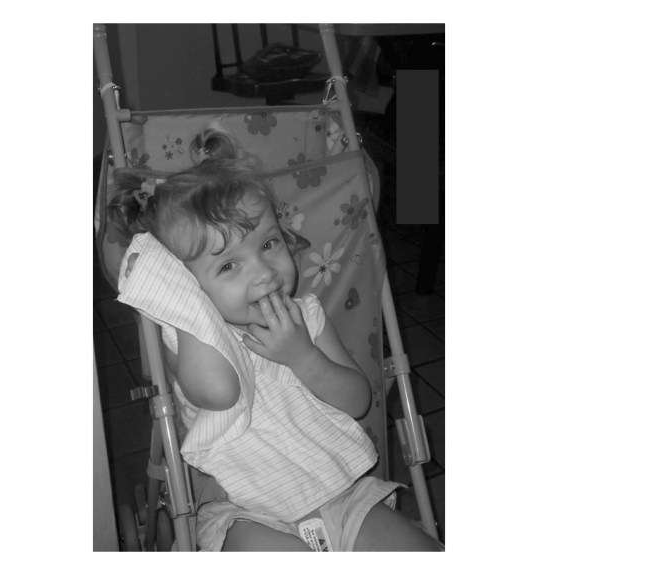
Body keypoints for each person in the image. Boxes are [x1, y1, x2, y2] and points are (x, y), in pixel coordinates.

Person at [110, 130, 442, 552]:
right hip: (245, 514)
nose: (265, 271)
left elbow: (358, 401)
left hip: (341, 495)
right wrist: (185, 304)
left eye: (268, 243)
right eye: (228, 265)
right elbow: (221, 392)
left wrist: (303, 356)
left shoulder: (306, 316)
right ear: (187, 286)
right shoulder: (193, 342)